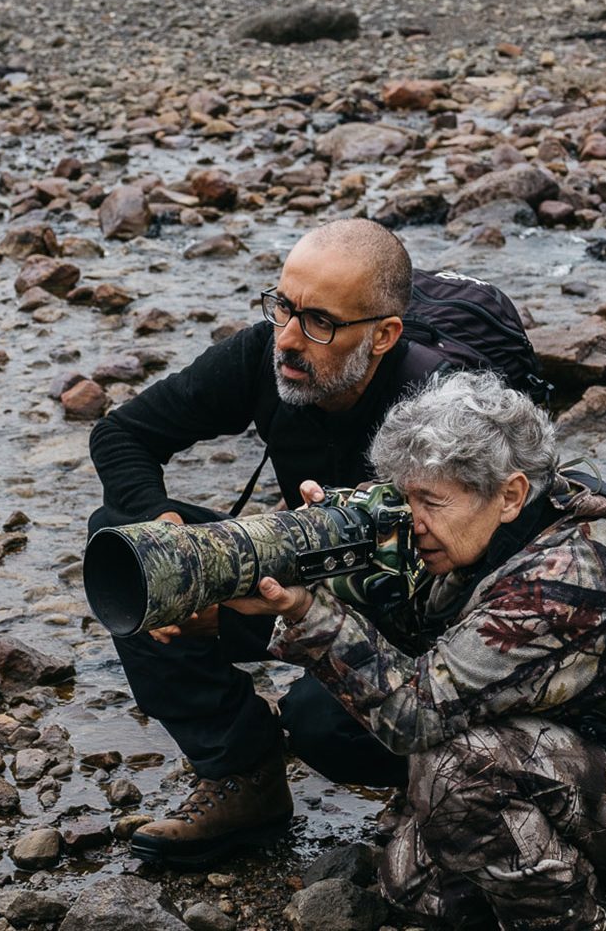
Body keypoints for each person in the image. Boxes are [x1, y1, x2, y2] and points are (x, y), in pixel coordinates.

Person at [226, 370, 606, 931]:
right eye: (405, 499)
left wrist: (305, 613)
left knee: (455, 769)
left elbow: (413, 713)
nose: (414, 524)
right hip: (594, 744)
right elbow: (422, 629)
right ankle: (563, 868)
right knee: (415, 890)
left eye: (430, 502)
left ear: (510, 494)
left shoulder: (566, 574)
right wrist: (339, 550)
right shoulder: (513, 522)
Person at [88, 218, 449, 866]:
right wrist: (178, 550)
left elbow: (475, 587)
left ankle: (447, 788)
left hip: (421, 623)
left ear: (384, 334)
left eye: (318, 322)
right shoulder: (269, 351)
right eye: (281, 304)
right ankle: (240, 774)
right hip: (305, 568)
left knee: (324, 721)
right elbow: (122, 435)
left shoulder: (441, 407)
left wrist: (311, 616)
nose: (287, 337)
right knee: (135, 552)